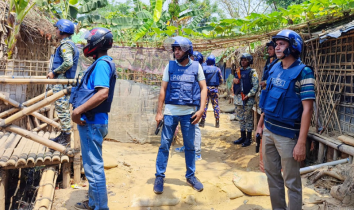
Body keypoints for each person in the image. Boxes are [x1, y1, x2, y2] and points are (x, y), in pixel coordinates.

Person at [257, 29, 315, 210]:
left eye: (282, 44)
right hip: (269, 131)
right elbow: (269, 100)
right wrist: (260, 125)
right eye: (277, 44)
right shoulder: (274, 68)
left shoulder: (304, 73)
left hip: (288, 137)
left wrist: (301, 143)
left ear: (294, 46)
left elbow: (308, 109)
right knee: (272, 177)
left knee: (292, 183)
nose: (277, 47)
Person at [154, 36, 207, 194]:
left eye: (179, 49)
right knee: (164, 145)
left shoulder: (196, 67)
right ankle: (159, 176)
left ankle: (190, 176)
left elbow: (204, 88)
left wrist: (201, 109)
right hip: (170, 113)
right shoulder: (169, 67)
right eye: (175, 49)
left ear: (187, 51)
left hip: (189, 114)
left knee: (190, 147)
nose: (176, 52)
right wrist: (159, 113)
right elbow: (163, 90)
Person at [70, 28, 116, 210]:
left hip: (92, 122)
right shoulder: (100, 63)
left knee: (94, 168)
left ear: (97, 44)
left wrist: (76, 112)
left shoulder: (103, 64)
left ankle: (100, 207)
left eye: (89, 42)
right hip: (93, 121)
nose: (86, 45)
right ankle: (93, 202)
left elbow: (103, 93)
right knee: (91, 166)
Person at [48, 19, 79, 146]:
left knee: (62, 108)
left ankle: (65, 138)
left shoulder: (66, 45)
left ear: (62, 30)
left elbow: (68, 62)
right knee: (62, 108)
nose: (56, 31)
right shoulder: (68, 44)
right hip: (63, 81)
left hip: (62, 81)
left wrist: (54, 73)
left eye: (57, 28)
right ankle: (63, 134)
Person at [175, 50, 204, 161]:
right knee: (185, 126)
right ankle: (186, 146)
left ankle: (197, 152)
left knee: (194, 126)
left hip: (193, 103)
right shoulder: (188, 69)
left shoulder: (197, 70)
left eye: (191, 56)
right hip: (185, 102)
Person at [232, 53, 259, 147]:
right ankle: (242, 137)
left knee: (248, 119)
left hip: (247, 99)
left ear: (249, 61)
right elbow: (236, 82)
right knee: (240, 118)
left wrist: (248, 95)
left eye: (245, 60)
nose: (243, 61)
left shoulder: (252, 72)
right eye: (242, 60)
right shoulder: (238, 71)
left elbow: (256, 86)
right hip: (238, 98)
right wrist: (234, 81)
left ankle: (248, 139)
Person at [199, 55, 223, 128]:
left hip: (205, 89)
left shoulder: (203, 68)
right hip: (214, 89)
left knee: (204, 104)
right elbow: (221, 80)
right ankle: (217, 122)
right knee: (215, 105)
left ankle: (202, 121)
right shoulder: (217, 69)